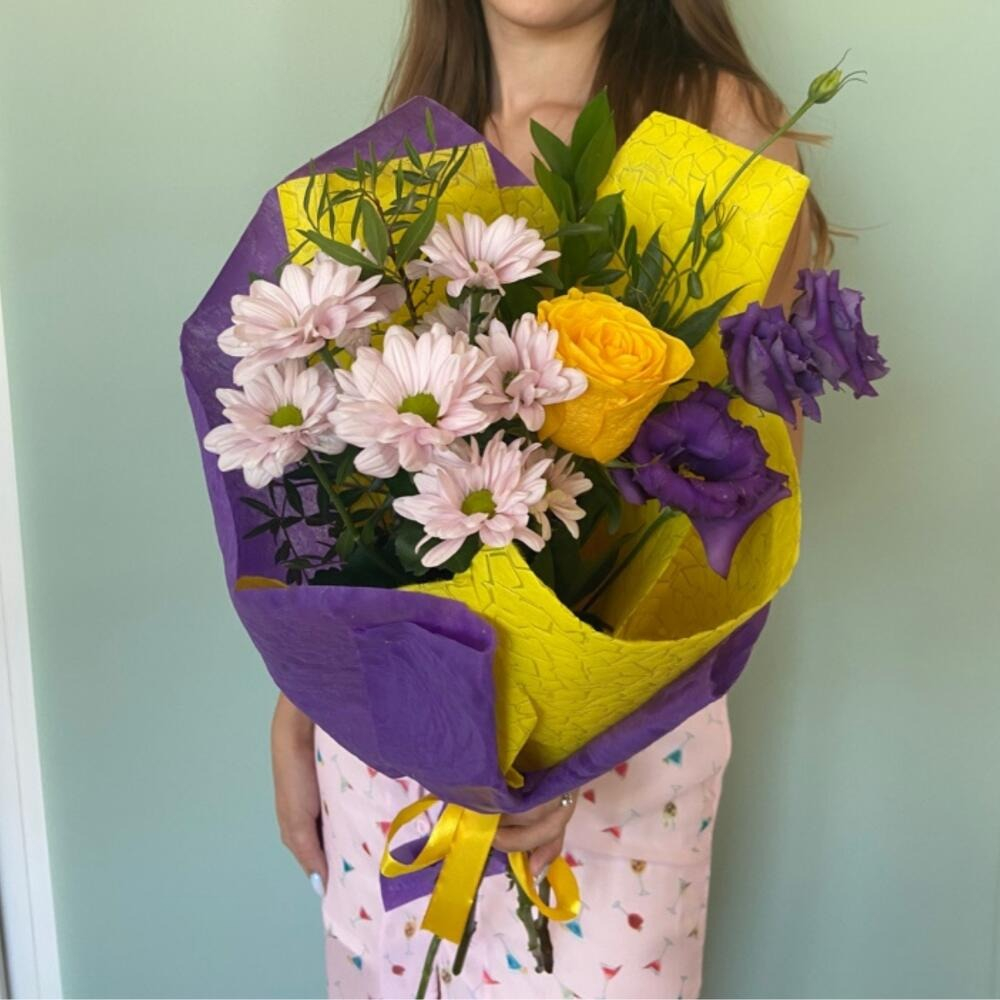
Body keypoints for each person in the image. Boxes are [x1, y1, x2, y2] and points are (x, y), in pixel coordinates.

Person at [272, 1, 824, 995]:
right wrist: (298, 700)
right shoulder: (402, 156)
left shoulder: (727, 131)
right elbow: (349, 496)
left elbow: (748, 492)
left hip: (624, 768)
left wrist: (569, 741)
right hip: (393, 752)